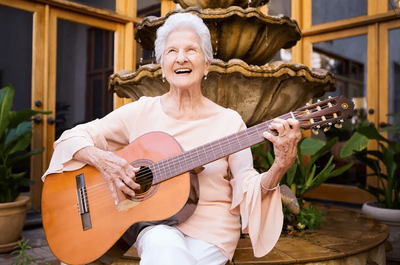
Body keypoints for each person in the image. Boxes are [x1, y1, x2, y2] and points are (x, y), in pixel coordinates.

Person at [43, 12, 301, 265]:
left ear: (207, 65)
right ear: (162, 68)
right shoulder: (141, 111)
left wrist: (280, 166)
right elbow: (73, 137)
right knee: (162, 243)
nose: (181, 58)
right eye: (172, 51)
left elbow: (247, 185)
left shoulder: (229, 121)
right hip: (155, 228)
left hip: (212, 232)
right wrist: (102, 160)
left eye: (191, 50)